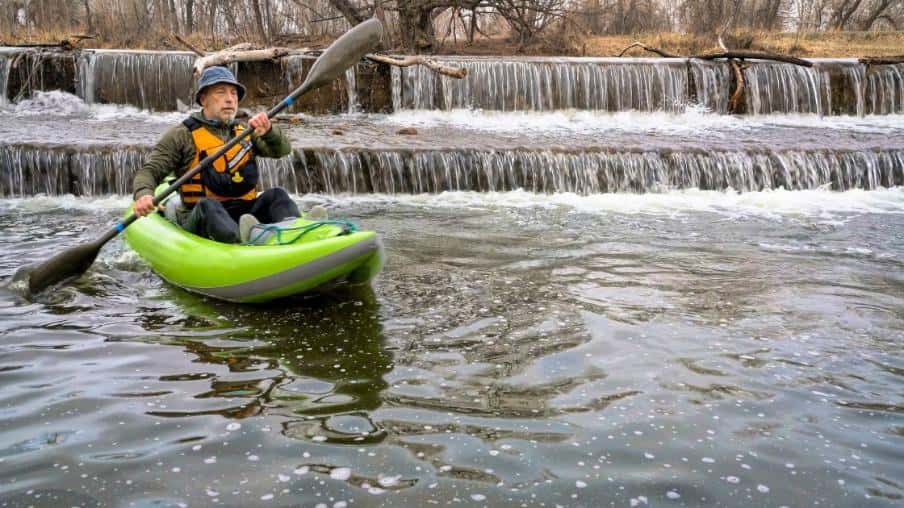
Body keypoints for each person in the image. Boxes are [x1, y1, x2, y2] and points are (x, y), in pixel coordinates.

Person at [132, 66, 299, 244]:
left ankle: (295, 231)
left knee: (277, 195)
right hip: (201, 217)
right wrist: (144, 194)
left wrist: (269, 132)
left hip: (245, 211)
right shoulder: (181, 135)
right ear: (204, 100)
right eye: (221, 92)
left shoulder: (246, 131)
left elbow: (282, 151)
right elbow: (149, 171)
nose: (229, 99)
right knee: (207, 204)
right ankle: (246, 240)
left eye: (234, 94)